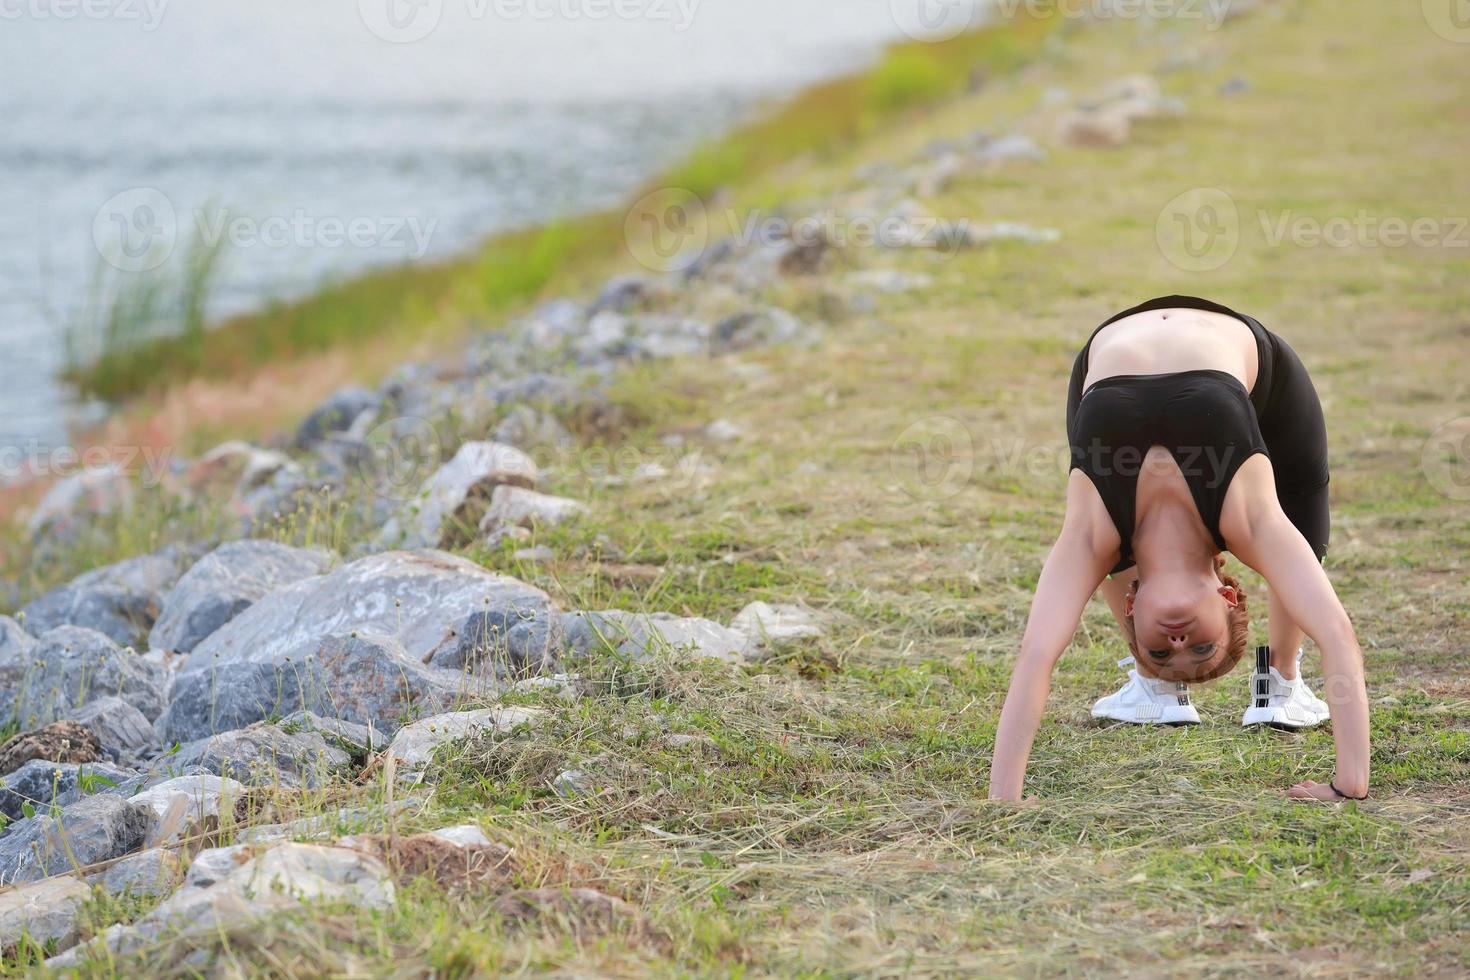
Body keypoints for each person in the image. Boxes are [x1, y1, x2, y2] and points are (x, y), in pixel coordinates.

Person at [987, 297, 1369, 803]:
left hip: (1105, 357)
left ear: (1132, 611)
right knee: (1302, 527)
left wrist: (1005, 796)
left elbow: (1037, 654)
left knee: (1112, 556)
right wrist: (1349, 785)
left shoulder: (1094, 534)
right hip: (1259, 365)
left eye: (1160, 652)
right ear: (1229, 597)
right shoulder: (1247, 520)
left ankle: (1192, 686)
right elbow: (1337, 634)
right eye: (1202, 647)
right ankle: (1279, 675)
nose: (1179, 641)